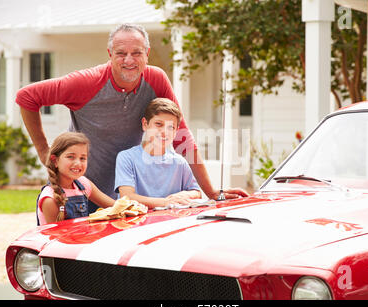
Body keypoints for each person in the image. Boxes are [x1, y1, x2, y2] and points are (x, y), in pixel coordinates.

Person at [16, 23, 249, 212]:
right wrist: (44, 151)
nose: (129, 60)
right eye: (121, 54)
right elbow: (26, 97)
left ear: (146, 54)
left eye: (136, 53)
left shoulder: (155, 79)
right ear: (110, 54)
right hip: (82, 191)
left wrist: (210, 191)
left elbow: (182, 135)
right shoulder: (85, 82)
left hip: (128, 200)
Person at [115, 98, 201, 208]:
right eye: (159, 124)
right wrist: (166, 202)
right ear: (145, 124)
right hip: (136, 223)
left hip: (170, 221)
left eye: (171, 127)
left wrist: (185, 194)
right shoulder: (126, 158)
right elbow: (127, 197)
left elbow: (196, 192)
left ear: (176, 132)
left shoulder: (180, 162)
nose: (164, 132)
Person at [36, 132, 115, 225]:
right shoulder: (50, 199)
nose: (78, 163)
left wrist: (132, 206)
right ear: (55, 160)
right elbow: (57, 237)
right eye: (71, 157)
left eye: (82, 158)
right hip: (61, 239)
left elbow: (114, 206)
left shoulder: (83, 183)